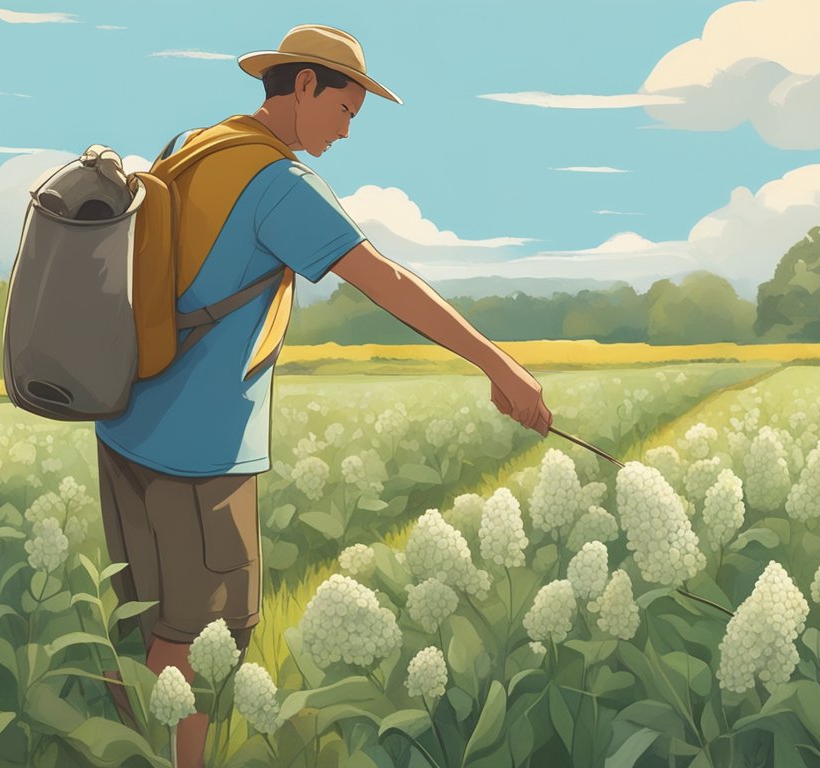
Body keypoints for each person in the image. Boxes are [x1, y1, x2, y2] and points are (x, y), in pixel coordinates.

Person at [93, 23, 552, 766]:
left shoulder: (192, 143)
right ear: (303, 86)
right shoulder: (281, 185)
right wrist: (500, 366)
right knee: (210, 635)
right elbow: (389, 284)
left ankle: (130, 748)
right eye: (344, 110)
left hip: (122, 420)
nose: (344, 131)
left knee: (147, 620)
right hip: (200, 450)